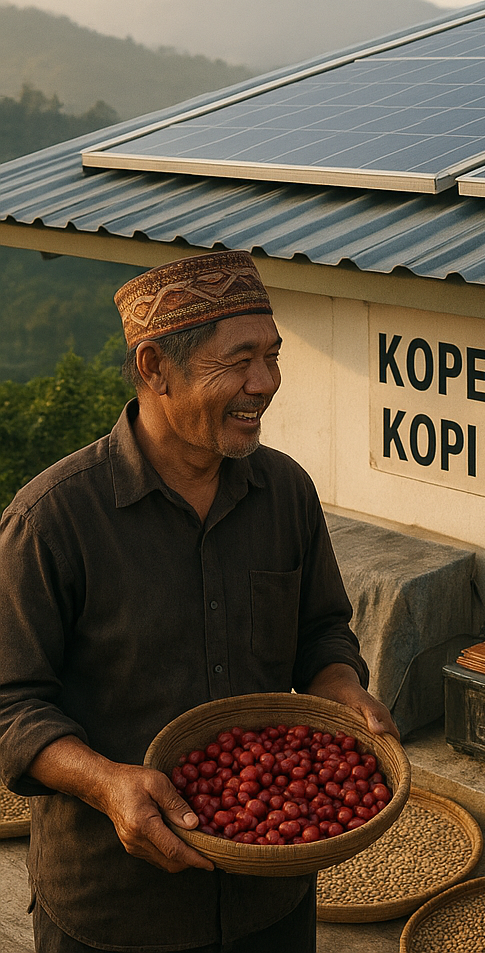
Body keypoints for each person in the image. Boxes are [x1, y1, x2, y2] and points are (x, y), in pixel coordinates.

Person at [0, 250, 397, 952]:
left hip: (269, 899)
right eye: (239, 360)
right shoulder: (51, 521)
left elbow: (322, 629)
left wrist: (338, 685)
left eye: (273, 356)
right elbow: (10, 706)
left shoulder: (286, 493)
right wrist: (106, 783)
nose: (265, 383)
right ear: (155, 367)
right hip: (115, 908)